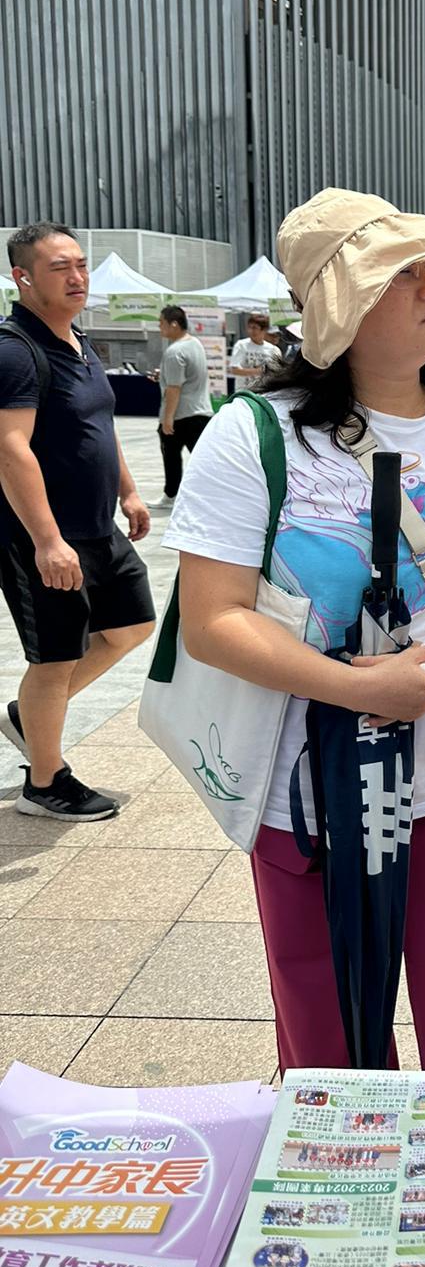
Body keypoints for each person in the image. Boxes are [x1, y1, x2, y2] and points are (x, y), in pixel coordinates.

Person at [164, 190, 425, 1071]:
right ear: (337, 307)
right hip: (304, 791)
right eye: (401, 273)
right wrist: (358, 687)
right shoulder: (252, 435)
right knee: (328, 1037)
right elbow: (213, 620)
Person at [0, 223, 155, 820]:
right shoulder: (16, 349)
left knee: (132, 625)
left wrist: (130, 491)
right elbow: (10, 448)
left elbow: (100, 424)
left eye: (81, 265)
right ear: (23, 277)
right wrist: (46, 541)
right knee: (55, 657)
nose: (77, 277)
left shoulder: (78, 341)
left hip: (96, 526)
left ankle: (31, 717)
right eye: (60, 267)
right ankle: (44, 783)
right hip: (43, 535)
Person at [153, 305, 212, 511]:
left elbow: (174, 388)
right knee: (204, 459)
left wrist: (167, 418)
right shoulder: (195, 344)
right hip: (201, 410)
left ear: (174, 324)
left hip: (181, 414)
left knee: (171, 457)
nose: (159, 327)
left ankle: (171, 495)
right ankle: (211, 495)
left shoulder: (174, 351)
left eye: (161, 323)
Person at [230, 312, 284, 379]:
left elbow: (277, 372)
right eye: (249, 327)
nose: (251, 331)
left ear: (264, 330)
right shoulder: (241, 345)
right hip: (245, 385)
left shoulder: (274, 349)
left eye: (254, 328)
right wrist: (259, 371)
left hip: (265, 385)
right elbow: (234, 370)